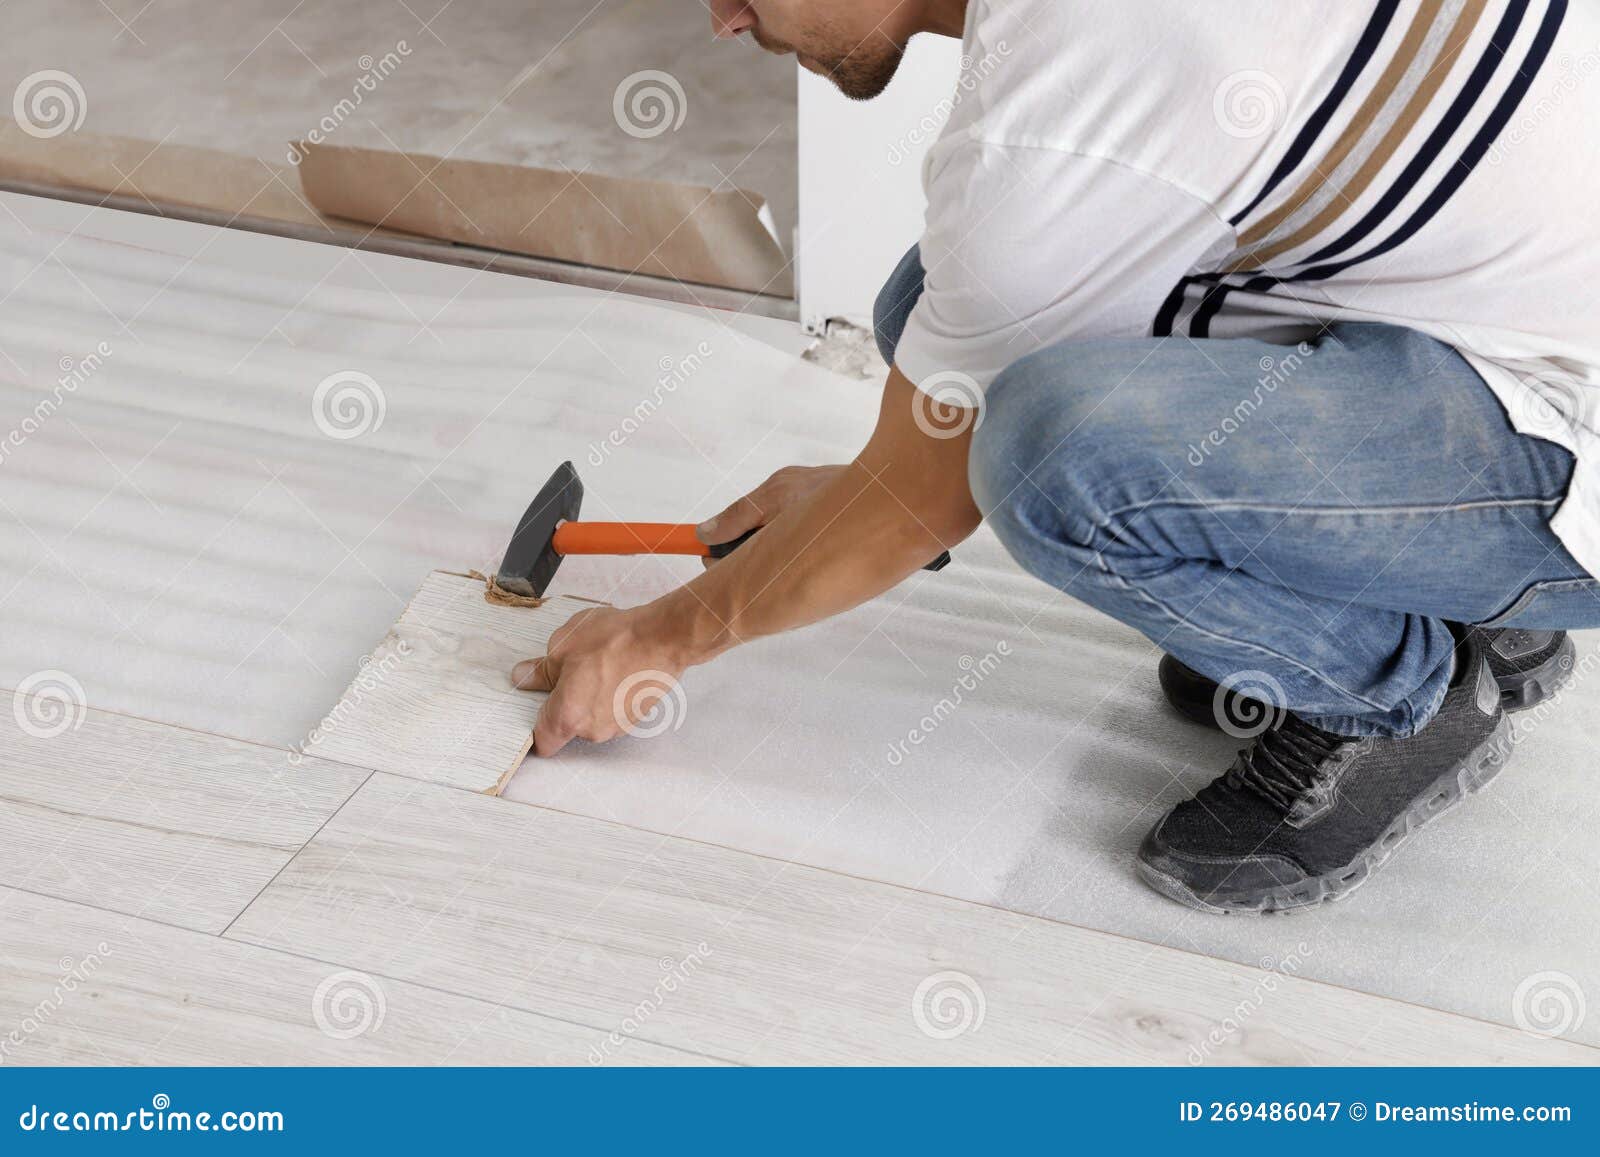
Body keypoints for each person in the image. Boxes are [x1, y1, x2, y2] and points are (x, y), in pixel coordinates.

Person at [513, 0, 1600, 913]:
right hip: (1496, 312)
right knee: (936, 311)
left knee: (1051, 454)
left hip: (1557, 413)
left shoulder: (1057, 129)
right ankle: (1468, 601)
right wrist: (859, 489)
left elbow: (921, 496)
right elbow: (924, 442)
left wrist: (660, 635)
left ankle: (1398, 692)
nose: (724, 16)